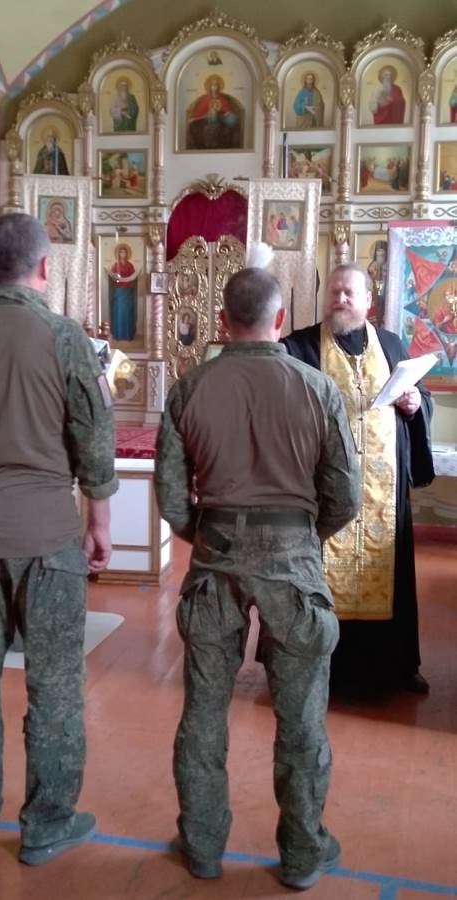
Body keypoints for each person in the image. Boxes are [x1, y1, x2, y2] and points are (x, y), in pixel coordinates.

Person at [154, 267, 361, 890]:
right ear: (279, 320)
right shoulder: (316, 388)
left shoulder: (190, 388)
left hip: (215, 557)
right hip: (293, 563)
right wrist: (302, 537)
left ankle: (202, 845)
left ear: (222, 320)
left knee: (203, 711)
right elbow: (346, 496)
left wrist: (205, 533)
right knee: (301, 719)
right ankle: (301, 852)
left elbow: (171, 496)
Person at [0, 213, 118, 864]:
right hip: (48, 540)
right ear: (45, 267)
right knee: (55, 686)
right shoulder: (64, 338)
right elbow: (95, 439)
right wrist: (99, 524)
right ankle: (47, 824)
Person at [281, 264, 434, 694]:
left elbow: (420, 396)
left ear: (369, 301)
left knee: (389, 574)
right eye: (334, 292)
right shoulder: (299, 346)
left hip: (382, 491)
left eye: (349, 293)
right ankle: (313, 667)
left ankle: (397, 666)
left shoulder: (391, 344)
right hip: (325, 493)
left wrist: (413, 403)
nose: (340, 299)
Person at [186, 75, 243, 150]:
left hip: (221, 123)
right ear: (209, 87)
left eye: (216, 85)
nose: (214, 87)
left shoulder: (223, 99)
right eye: (212, 85)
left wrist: (222, 114)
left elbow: (228, 112)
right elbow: (198, 113)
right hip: (205, 122)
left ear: (219, 86)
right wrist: (204, 116)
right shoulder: (205, 99)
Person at [106, 243, 139, 341]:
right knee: (118, 312)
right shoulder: (116, 265)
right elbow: (113, 277)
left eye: (124, 252)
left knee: (127, 313)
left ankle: (127, 335)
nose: (122, 254)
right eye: (121, 252)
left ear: (127, 254)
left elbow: (133, 278)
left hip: (128, 292)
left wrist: (127, 280)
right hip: (118, 291)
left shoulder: (130, 265)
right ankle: (118, 335)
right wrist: (113, 276)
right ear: (118, 254)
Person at [367, 240, 388, 326]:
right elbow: (370, 273)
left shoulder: (388, 264)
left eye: (383, 253)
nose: (381, 255)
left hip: (386, 289)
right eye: (379, 252)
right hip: (377, 287)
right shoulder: (373, 264)